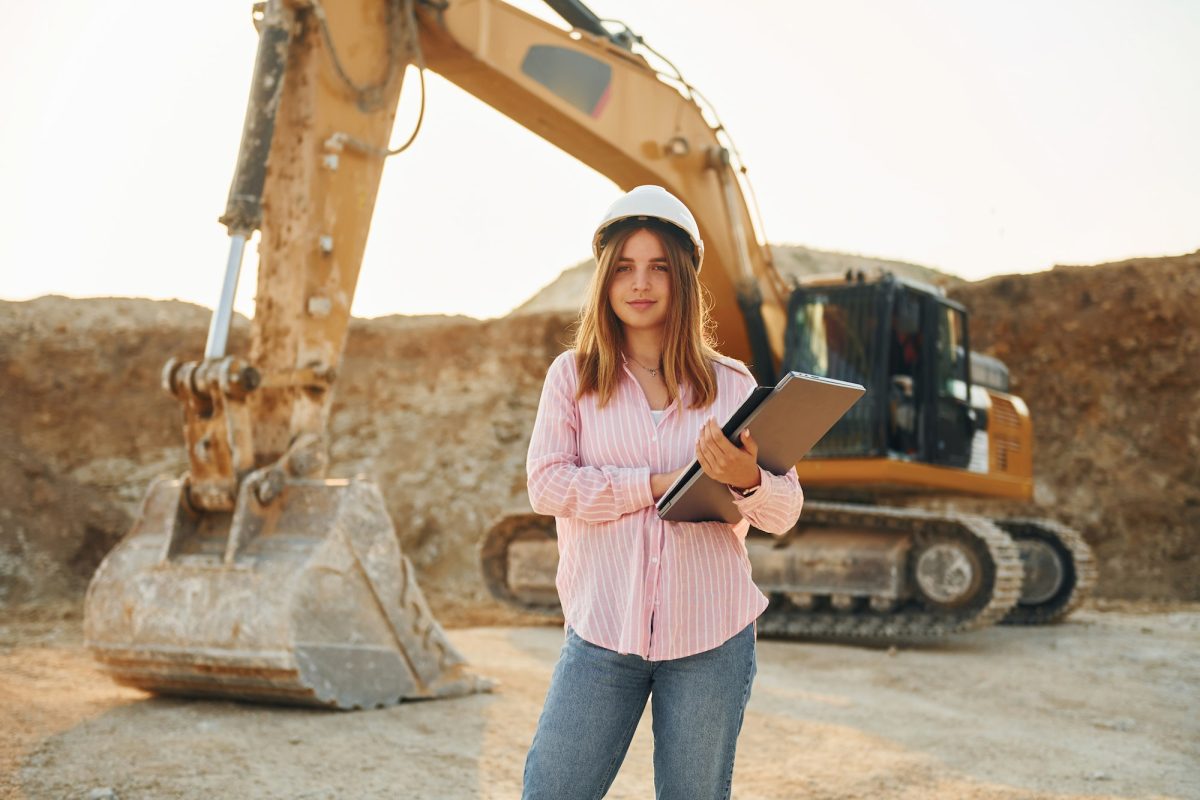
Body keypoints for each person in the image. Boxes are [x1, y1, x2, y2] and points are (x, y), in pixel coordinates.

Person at [521, 185, 805, 800]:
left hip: (712, 638)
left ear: (681, 278)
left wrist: (746, 479)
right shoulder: (572, 376)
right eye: (623, 268)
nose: (639, 283)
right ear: (605, 279)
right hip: (603, 633)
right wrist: (654, 486)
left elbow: (785, 510)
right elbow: (546, 484)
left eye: (656, 268)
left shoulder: (733, 385)